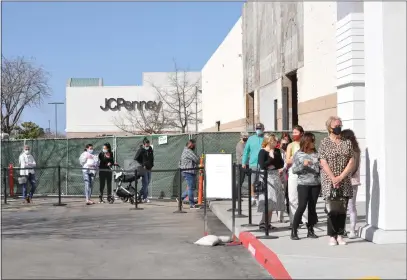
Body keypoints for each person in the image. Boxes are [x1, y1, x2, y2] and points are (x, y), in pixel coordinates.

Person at [319, 116, 354, 246]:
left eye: (340, 125)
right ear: (330, 128)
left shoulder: (347, 142)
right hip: (329, 180)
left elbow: (351, 161)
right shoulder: (324, 143)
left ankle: (340, 234)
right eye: (336, 126)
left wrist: (341, 177)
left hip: (344, 180)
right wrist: (333, 178)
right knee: (332, 209)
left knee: (342, 208)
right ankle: (332, 235)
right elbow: (323, 161)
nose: (339, 128)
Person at [290, 132, 321, 240]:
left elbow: (320, 168)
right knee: (302, 206)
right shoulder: (299, 154)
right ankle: (294, 230)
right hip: (303, 184)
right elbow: (294, 170)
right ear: (307, 142)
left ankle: (310, 230)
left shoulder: (316, 153)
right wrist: (303, 165)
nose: (314, 143)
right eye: (312, 141)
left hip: (315, 184)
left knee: (312, 207)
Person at [257, 133, 285, 230]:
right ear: (269, 141)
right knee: (268, 200)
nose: (276, 142)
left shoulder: (277, 150)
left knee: (273, 201)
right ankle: (263, 222)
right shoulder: (262, 152)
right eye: (274, 141)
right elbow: (262, 165)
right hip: (266, 177)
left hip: (275, 176)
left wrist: (275, 156)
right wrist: (271, 158)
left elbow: (280, 164)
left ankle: (268, 222)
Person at [341, 129, 361, 239]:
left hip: (347, 180)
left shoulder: (349, 151)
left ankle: (345, 230)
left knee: (344, 207)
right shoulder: (357, 150)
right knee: (351, 207)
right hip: (354, 181)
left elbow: (352, 167)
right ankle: (351, 230)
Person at [286, 125, 306, 228]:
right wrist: (299, 158)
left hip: (305, 173)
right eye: (293, 132)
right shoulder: (291, 145)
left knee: (304, 197)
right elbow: (288, 160)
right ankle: (293, 220)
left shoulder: (306, 144)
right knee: (293, 197)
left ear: (301, 133)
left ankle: (305, 220)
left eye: (296, 132)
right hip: (293, 173)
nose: (294, 134)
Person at [242, 123, 265, 207]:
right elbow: (246, 151)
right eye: (257, 128)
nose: (258, 129)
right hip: (253, 163)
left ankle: (261, 198)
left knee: (262, 182)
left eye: (260, 128)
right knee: (253, 181)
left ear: (263, 129)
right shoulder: (251, 139)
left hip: (264, 164)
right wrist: (244, 162)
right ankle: (253, 198)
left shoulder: (266, 138)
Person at [178, 139, 200, 209]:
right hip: (188, 171)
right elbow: (196, 159)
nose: (195, 146)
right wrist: (199, 158)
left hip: (188, 171)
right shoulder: (188, 151)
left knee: (191, 188)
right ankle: (192, 204)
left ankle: (180, 198)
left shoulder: (186, 151)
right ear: (190, 144)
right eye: (194, 144)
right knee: (191, 188)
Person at [134, 138, 154, 203]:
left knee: (147, 183)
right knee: (145, 183)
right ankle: (145, 197)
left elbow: (152, 158)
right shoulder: (141, 150)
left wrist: (152, 165)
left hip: (149, 168)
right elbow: (136, 158)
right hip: (143, 168)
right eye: (146, 145)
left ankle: (139, 195)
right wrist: (142, 164)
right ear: (144, 144)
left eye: (148, 144)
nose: (148, 146)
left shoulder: (150, 149)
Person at [277, 135, 292, 222]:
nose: (285, 145)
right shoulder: (278, 152)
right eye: (283, 144)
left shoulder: (289, 152)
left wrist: (284, 168)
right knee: (280, 196)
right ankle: (280, 216)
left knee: (287, 195)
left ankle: (287, 214)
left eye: (286, 144)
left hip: (287, 175)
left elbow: (288, 163)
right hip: (279, 175)